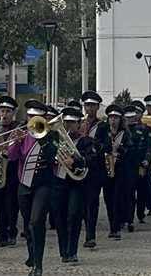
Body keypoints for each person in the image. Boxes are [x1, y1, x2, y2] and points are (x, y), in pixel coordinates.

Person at [8, 103, 57, 276]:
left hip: (43, 185)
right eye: (29, 117)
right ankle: (32, 254)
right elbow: (12, 157)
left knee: (37, 222)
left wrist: (41, 138)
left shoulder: (52, 135)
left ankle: (38, 265)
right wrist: (15, 142)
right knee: (28, 225)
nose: (32, 120)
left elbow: (52, 156)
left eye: (35, 117)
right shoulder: (22, 134)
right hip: (24, 185)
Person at [52, 106, 95, 264]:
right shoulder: (56, 141)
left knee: (73, 215)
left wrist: (75, 160)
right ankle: (64, 250)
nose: (69, 126)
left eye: (72, 122)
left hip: (77, 183)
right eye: (66, 122)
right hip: (59, 181)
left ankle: (72, 251)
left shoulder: (86, 141)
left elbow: (92, 159)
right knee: (59, 217)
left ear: (79, 124)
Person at [79, 90, 111, 248]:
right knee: (80, 202)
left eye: (93, 105)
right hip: (78, 168)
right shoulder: (78, 123)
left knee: (92, 202)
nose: (89, 108)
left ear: (98, 107)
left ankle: (90, 234)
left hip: (95, 169)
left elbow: (108, 146)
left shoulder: (103, 126)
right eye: (87, 105)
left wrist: (93, 144)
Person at [0, 95, 20, 248]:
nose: (5, 114)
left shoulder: (18, 129)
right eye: (2, 111)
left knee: (11, 203)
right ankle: (2, 232)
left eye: (8, 111)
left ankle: (12, 231)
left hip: (13, 170)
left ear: (13, 112)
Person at [101, 104, 130, 240]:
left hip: (121, 170)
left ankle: (115, 228)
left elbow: (131, 149)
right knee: (108, 198)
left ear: (120, 119)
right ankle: (112, 222)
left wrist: (120, 150)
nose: (113, 120)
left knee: (117, 198)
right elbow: (97, 145)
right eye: (111, 117)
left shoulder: (125, 133)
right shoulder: (103, 131)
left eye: (116, 117)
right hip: (106, 168)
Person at [126, 101, 151, 228]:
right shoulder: (125, 130)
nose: (136, 115)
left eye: (138, 113)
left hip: (142, 165)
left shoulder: (146, 129)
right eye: (134, 112)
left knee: (142, 191)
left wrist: (147, 159)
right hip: (129, 165)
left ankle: (141, 213)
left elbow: (150, 147)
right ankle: (129, 219)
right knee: (129, 192)